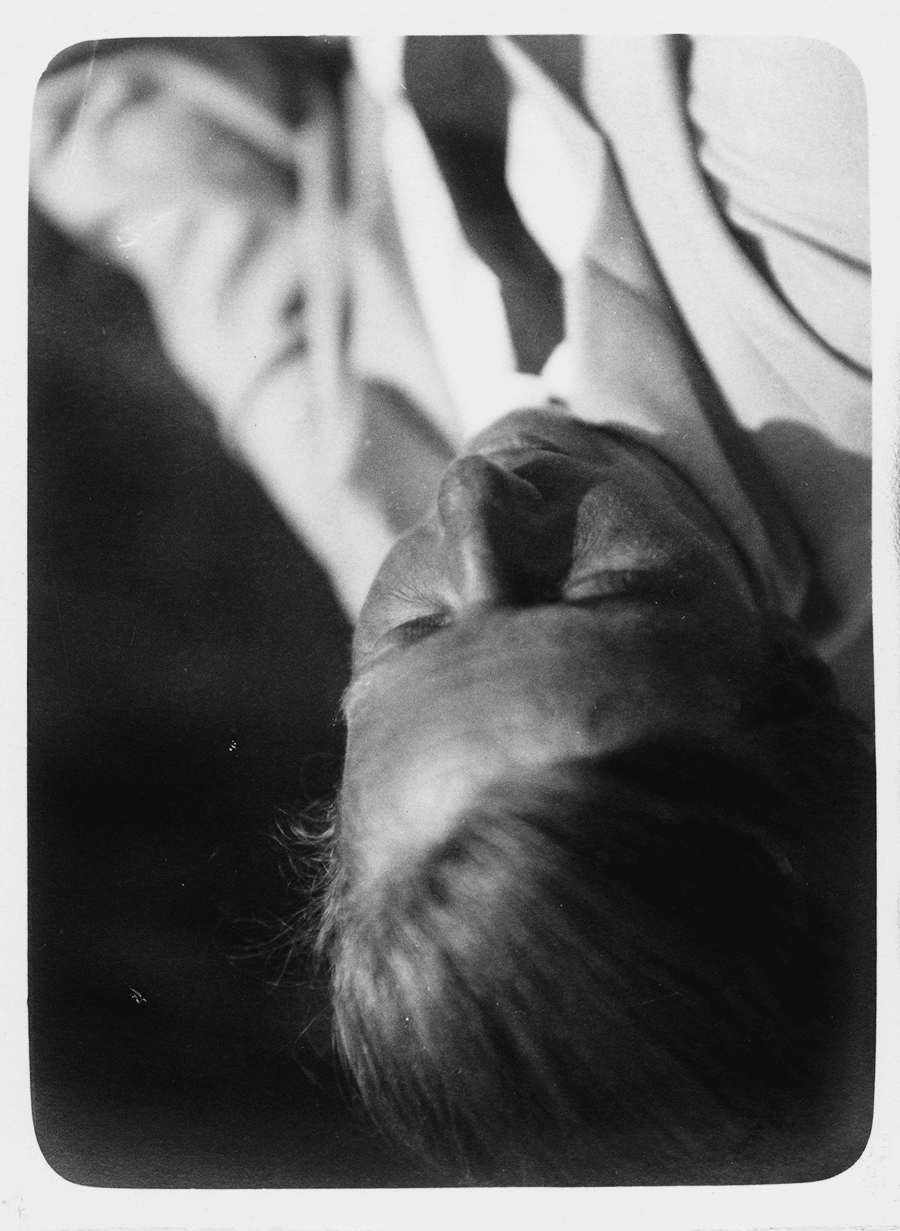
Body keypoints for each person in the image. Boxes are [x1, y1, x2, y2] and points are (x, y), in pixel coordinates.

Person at [30, 35, 874, 1183]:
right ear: (801, 681)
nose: (472, 504)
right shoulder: (842, 252)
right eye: (596, 588)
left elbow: (125, 146)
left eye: (410, 632)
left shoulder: (374, 509)